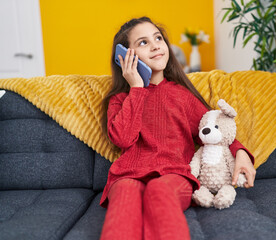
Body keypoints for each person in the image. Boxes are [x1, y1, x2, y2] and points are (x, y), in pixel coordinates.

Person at [100, 16, 256, 240]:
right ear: (125, 58)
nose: (155, 45)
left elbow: (214, 131)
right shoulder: (120, 100)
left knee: (159, 191)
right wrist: (136, 88)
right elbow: (123, 139)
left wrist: (240, 153)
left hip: (175, 175)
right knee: (125, 193)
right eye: (143, 42)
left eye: (158, 38)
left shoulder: (182, 96)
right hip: (128, 176)